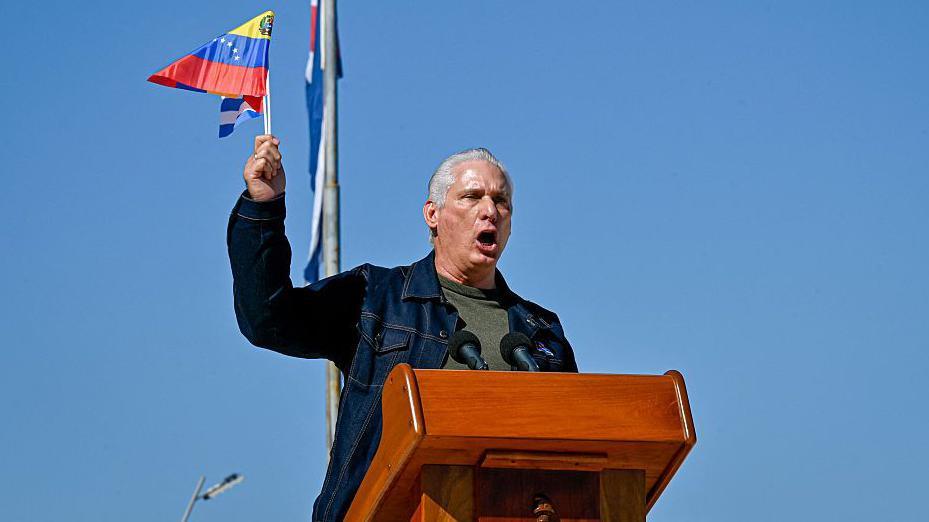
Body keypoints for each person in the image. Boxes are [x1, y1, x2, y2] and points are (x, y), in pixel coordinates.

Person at [227, 135, 578, 521]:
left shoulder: (540, 331)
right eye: (472, 197)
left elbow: (579, 451)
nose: (489, 211)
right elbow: (267, 320)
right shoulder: (375, 298)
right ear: (433, 214)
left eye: (501, 200)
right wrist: (264, 206)